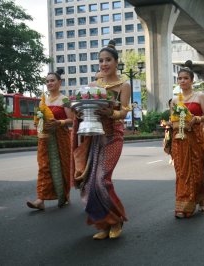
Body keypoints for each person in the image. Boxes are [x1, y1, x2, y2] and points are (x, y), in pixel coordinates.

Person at [70, 40, 131, 240]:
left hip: (113, 136)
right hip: (94, 137)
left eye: (108, 60)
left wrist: (110, 113)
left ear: (116, 62)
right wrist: (78, 111)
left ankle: (116, 220)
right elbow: (84, 109)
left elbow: (123, 113)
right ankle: (103, 224)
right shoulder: (93, 86)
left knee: (101, 180)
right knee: (89, 184)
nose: (104, 64)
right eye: (101, 61)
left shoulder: (124, 85)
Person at [27, 69, 74, 210]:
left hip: (61, 138)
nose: (49, 83)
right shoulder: (42, 101)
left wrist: (59, 123)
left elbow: (71, 120)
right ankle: (40, 199)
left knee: (62, 167)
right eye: (47, 81)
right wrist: (37, 123)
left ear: (59, 82)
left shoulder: (65, 100)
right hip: (45, 138)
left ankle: (64, 194)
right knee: (44, 167)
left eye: (52, 80)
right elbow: (36, 119)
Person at [171, 60, 204, 218]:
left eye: (186, 78)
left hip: (195, 138)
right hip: (179, 139)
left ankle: (200, 198)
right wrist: (172, 124)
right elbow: (172, 119)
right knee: (182, 173)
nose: (182, 81)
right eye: (180, 78)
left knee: (197, 172)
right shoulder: (175, 100)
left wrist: (196, 119)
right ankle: (184, 205)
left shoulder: (199, 96)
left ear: (192, 80)